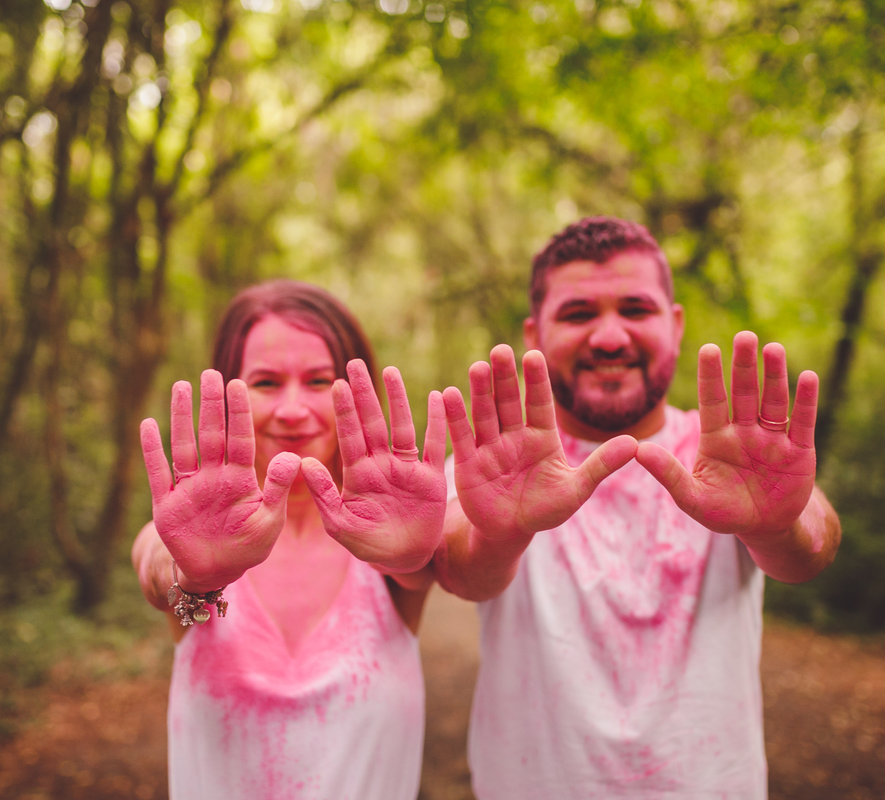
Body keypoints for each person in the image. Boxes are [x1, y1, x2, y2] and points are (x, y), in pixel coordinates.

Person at [431, 216, 842, 798]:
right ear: (534, 335)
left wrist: (779, 527)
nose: (608, 337)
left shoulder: (734, 458)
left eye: (635, 309)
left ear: (674, 326)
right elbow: (458, 570)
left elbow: (813, 547)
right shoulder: (490, 472)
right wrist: (500, 534)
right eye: (577, 314)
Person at [131, 280, 448, 800]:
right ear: (227, 393)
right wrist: (195, 579)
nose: (294, 410)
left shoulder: (391, 542)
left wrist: (420, 552)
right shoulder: (191, 537)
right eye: (266, 382)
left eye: (320, 380)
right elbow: (159, 572)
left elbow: (437, 565)